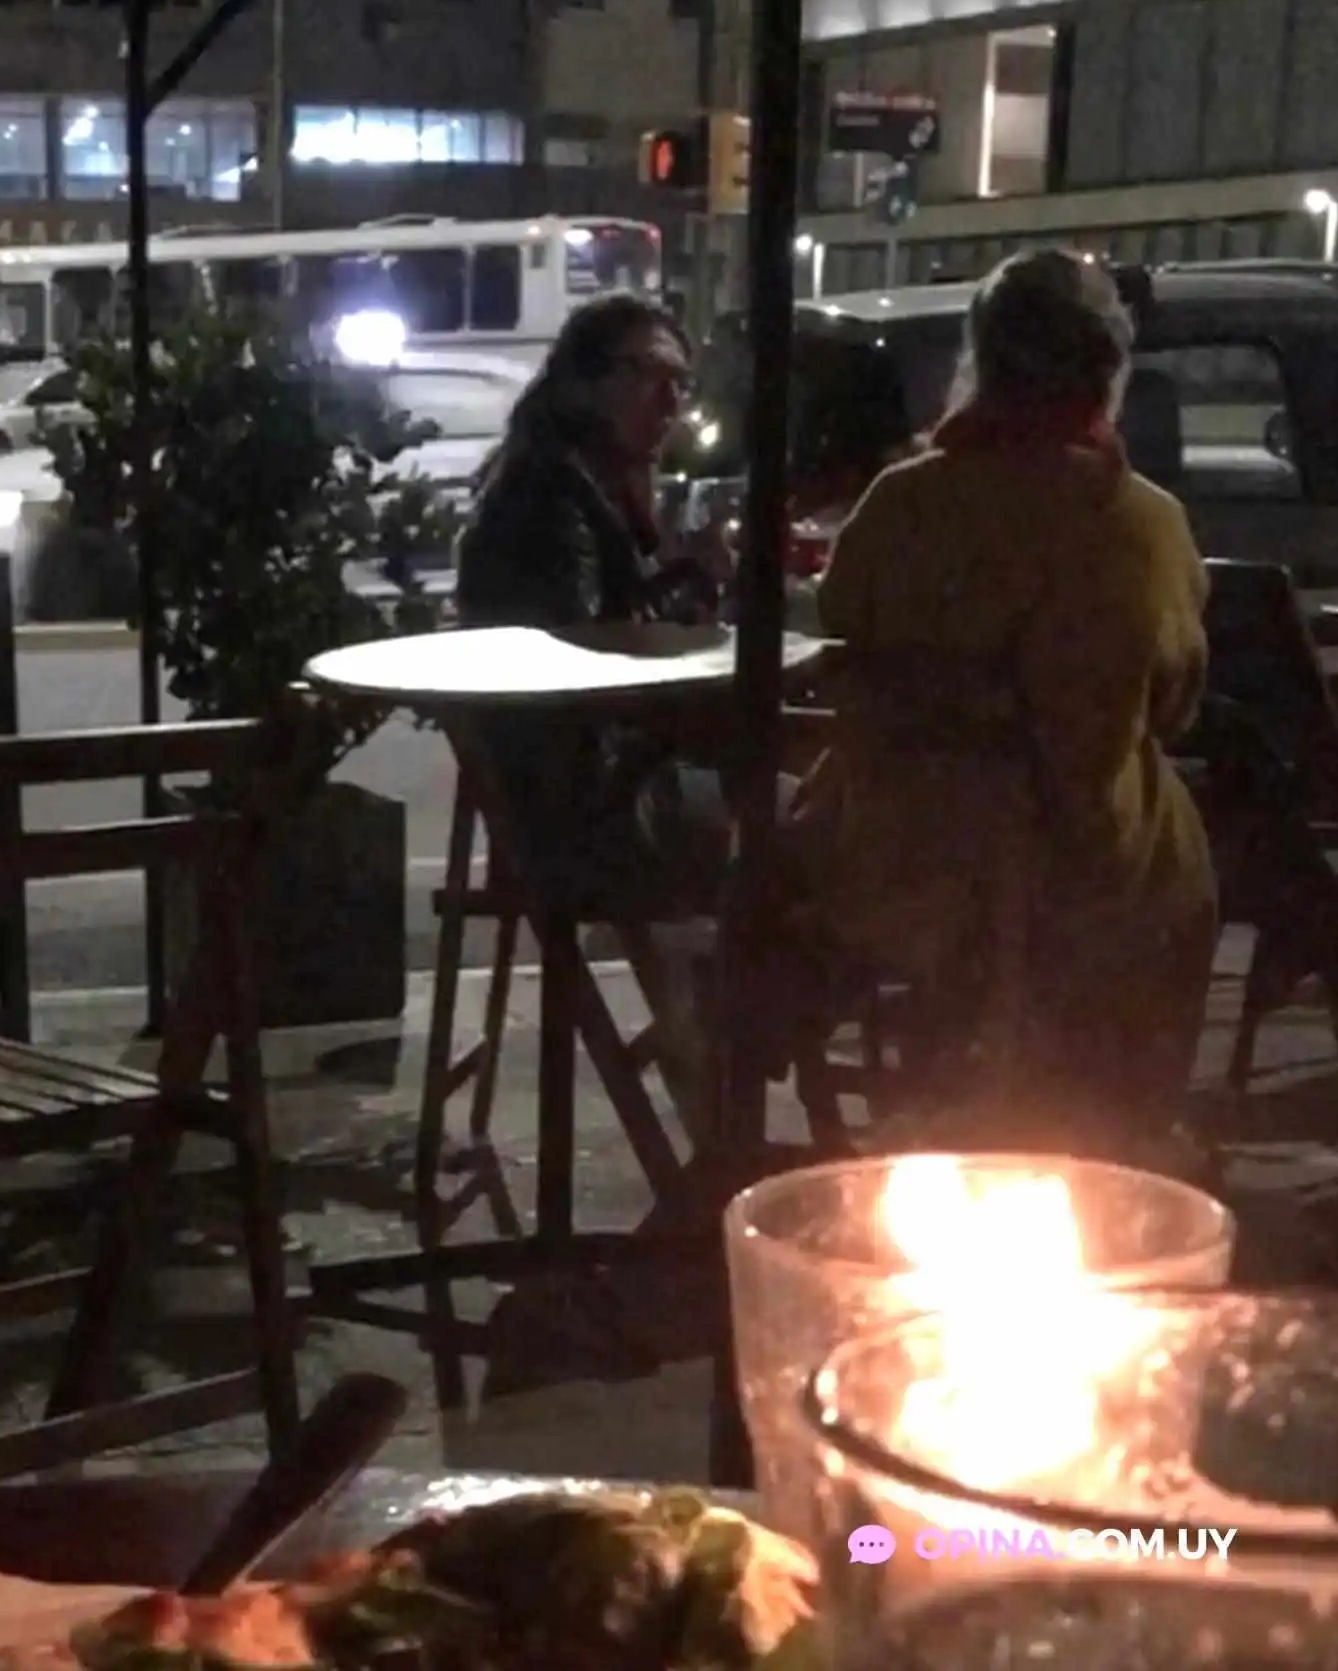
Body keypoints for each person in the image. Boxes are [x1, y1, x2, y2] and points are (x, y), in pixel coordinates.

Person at [798, 247, 1215, 1152]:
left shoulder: (899, 505)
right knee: (1187, 849)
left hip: (898, 862)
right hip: (1084, 872)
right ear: (1107, 369)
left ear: (981, 360)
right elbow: (1175, 700)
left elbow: (841, 635)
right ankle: (1129, 1125)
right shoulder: (1141, 523)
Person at [455, 290, 730, 921]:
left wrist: (686, 578)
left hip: (586, 796)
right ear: (583, 383)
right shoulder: (548, 498)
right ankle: (737, 984)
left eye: (680, 383)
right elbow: (576, 661)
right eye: (648, 374)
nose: (670, 402)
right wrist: (691, 590)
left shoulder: (580, 480)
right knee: (803, 826)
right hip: (588, 818)